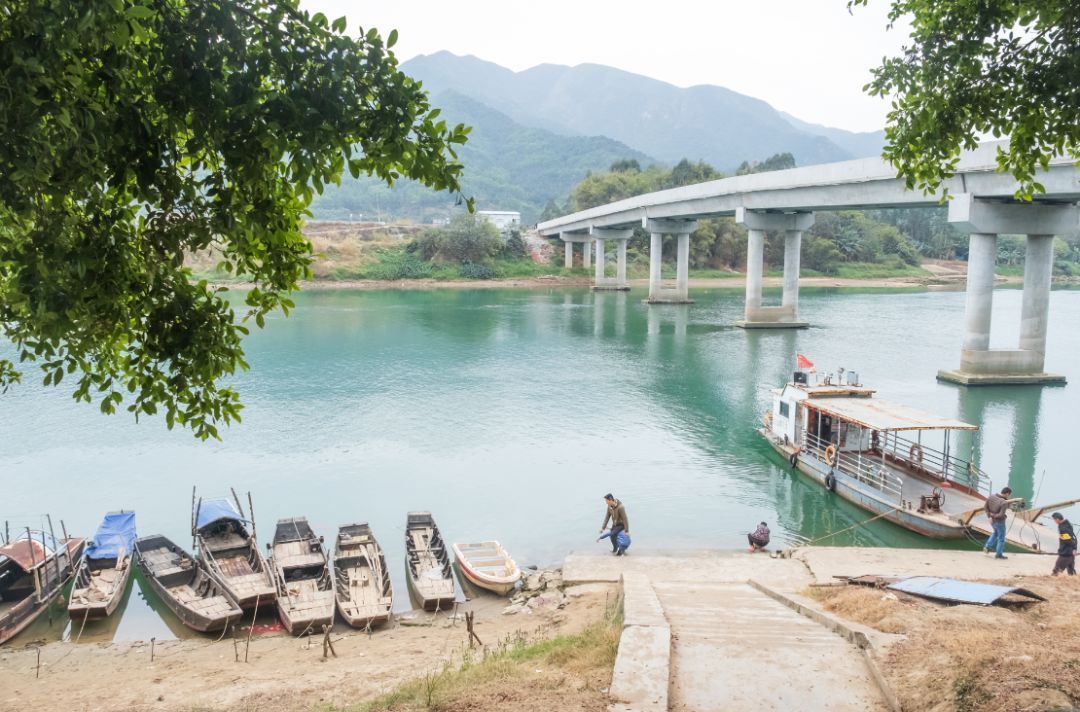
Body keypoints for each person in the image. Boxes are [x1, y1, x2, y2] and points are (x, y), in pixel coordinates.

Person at [983, 486, 1012, 559]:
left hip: (992, 521)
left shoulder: (991, 496)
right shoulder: (1004, 502)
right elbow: (1001, 515)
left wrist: (989, 517)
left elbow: (985, 507)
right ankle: (998, 554)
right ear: (1007, 494)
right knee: (1001, 538)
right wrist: (992, 516)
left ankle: (987, 547)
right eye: (1009, 495)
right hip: (999, 522)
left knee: (995, 533)